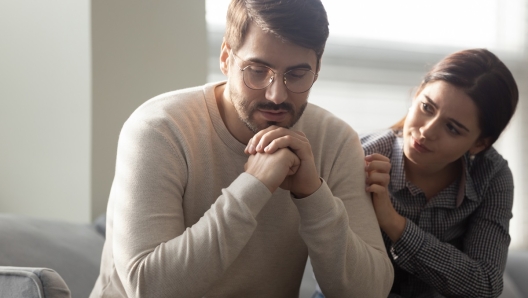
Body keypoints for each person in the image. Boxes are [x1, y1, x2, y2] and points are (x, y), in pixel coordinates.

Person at [89, 0, 394, 297]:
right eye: (257, 70)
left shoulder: (335, 141)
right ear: (226, 58)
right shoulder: (160, 128)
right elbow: (148, 289)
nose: (276, 95)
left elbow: (370, 291)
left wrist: (313, 195)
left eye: (297, 74)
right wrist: (253, 186)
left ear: (317, 68)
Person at [360, 48, 518, 297]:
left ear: (479, 144)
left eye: (452, 128)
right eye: (427, 107)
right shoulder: (361, 158)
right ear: (417, 94)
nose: (427, 132)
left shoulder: (491, 176)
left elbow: (485, 284)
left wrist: (393, 222)